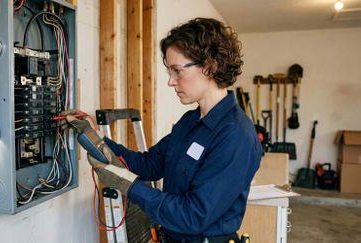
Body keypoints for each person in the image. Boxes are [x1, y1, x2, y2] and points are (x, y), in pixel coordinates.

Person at [65, 17, 262, 243]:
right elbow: (150, 164)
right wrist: (97, 140)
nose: (171, 82)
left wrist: (129, 186)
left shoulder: (236, 136)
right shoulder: (191, 121)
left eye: (177, 71)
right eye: (170, 71)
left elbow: (192, 216)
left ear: (211, 66)